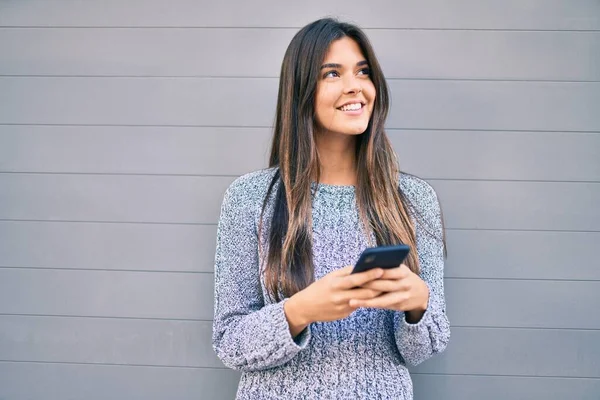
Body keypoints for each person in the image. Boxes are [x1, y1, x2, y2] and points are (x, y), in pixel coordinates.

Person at [212, 17, 450, 399]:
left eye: (363, 71)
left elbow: (424, 348)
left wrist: (418, 305)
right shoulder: (250, 198)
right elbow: (229, 342)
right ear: (302, 90)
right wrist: (300, 310)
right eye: (332, 74)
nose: (354, 86)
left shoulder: (413, 199)